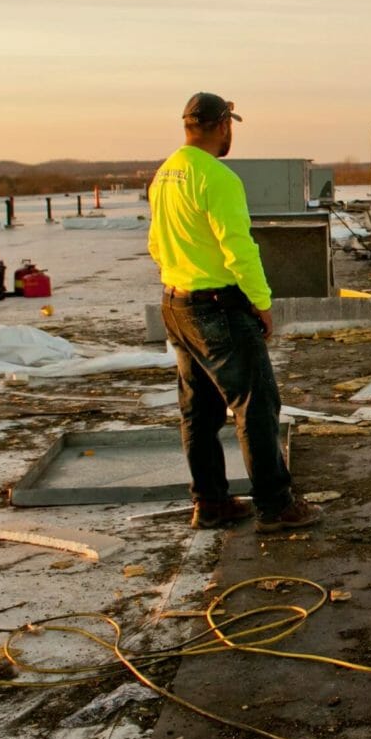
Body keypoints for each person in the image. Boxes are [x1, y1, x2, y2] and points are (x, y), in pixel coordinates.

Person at [148, 92, 317, 532]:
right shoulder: (216, 178)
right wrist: (261, 303)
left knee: (199, 413)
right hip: (216, 306)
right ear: (223, 125)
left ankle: (211, 503)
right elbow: (239, 248)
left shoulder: (165, 174)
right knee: (255, 406)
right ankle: (276, 506)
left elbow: (154, 243)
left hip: (176, 303)